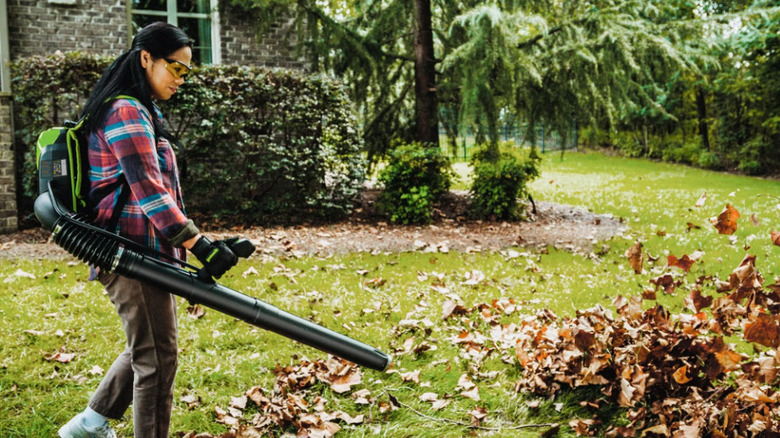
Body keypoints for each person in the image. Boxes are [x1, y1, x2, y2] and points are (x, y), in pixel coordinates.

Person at [58, 22, 241, 438]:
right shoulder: (125, 110)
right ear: (146, 59)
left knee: (149, 348)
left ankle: (88, 425)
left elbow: (160, 191)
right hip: (128, 251)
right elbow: (150, 193)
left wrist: (195, 247)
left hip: (146, 250)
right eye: (177, 69)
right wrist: (202, 247)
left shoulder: (142, 110)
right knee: (157, 359)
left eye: (186, 73)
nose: (181, 80)